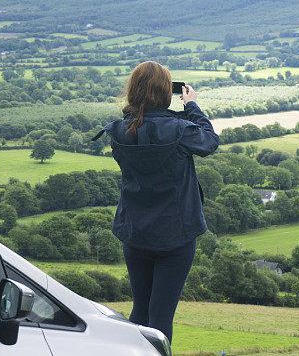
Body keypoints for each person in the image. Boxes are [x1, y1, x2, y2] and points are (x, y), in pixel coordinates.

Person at [92, 60, 219, 343]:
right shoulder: (179, 130)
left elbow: (143, 126)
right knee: (161, 316)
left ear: (133, 91)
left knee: (140, 309)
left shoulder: (119, 131)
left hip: (134, 232)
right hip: (176, 235)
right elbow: (210, 141)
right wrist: (192, 106)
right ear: (166, 92)